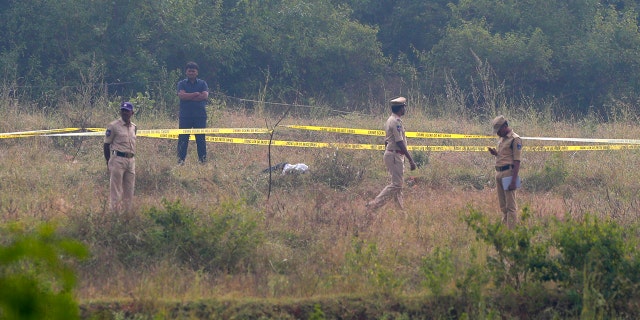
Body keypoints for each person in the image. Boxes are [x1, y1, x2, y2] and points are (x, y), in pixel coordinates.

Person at [366, 97, 417, 212]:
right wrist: (410, 159)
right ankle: (374, 204)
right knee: (397, 185)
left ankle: (401, 213)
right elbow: (399, 142)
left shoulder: (391, 120)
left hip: (393, 155)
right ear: (400, 109)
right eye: (404, 107)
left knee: (398, 187)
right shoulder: (395, 122)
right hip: (394, 155)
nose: (405, 109)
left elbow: (386, 141)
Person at [488, 115, 522, 229]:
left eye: (499, 130)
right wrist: (495, 153)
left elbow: (517, 161)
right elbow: (505, 155)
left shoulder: (515, 139)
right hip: (499, 173)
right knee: (503, 206)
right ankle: (504, 229)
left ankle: (512, 232)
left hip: (509, 174)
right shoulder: (502, 138)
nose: (497, 133)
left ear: (505, 126)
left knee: (511, 206)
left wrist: (513, 180)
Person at [103, 102, 137, 213]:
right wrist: (108, 162)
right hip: (118, 159)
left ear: (132, 113)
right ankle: (114, 215)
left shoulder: (134, 127)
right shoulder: (114, 126)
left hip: (130, 160)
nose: (124, 113)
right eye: (123, 110)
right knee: (116, 190)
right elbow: (106, 144)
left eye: (127, 111)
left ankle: (127, 215)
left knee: (129, 190)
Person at [177, 61, 209, 165]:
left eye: (193, 71)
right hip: (185, 116)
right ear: (186, 72)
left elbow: (204, 96)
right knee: (183, 139)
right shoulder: (181, 83)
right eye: (189, 71)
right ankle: (180, 162)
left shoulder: (203, 83)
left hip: (200, 116)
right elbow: (182, 96)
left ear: (197, 72)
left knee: (200, 140)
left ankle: (202, 162)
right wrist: (195, 94)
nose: (191, 73)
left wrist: (188, 97)